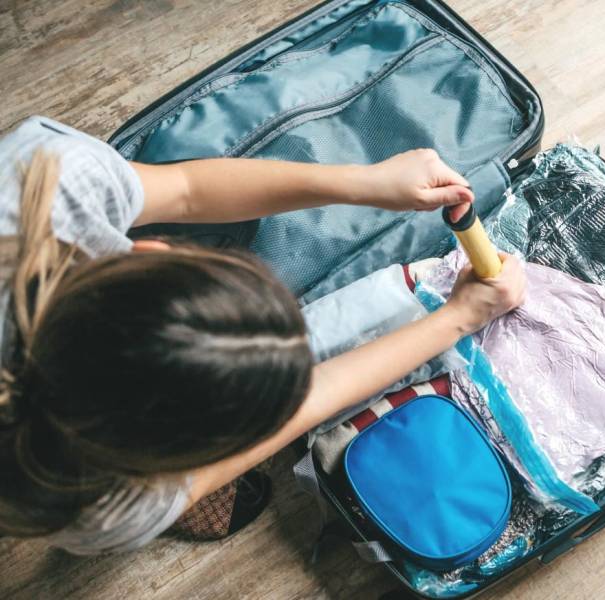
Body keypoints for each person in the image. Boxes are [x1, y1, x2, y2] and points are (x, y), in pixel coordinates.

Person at [0, 116, 526, 554]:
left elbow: (186, 191)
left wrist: (364, 183)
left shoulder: (38, 183)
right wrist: (457, 319)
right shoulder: (105, 512)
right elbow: (300, 408)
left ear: (150, 254)